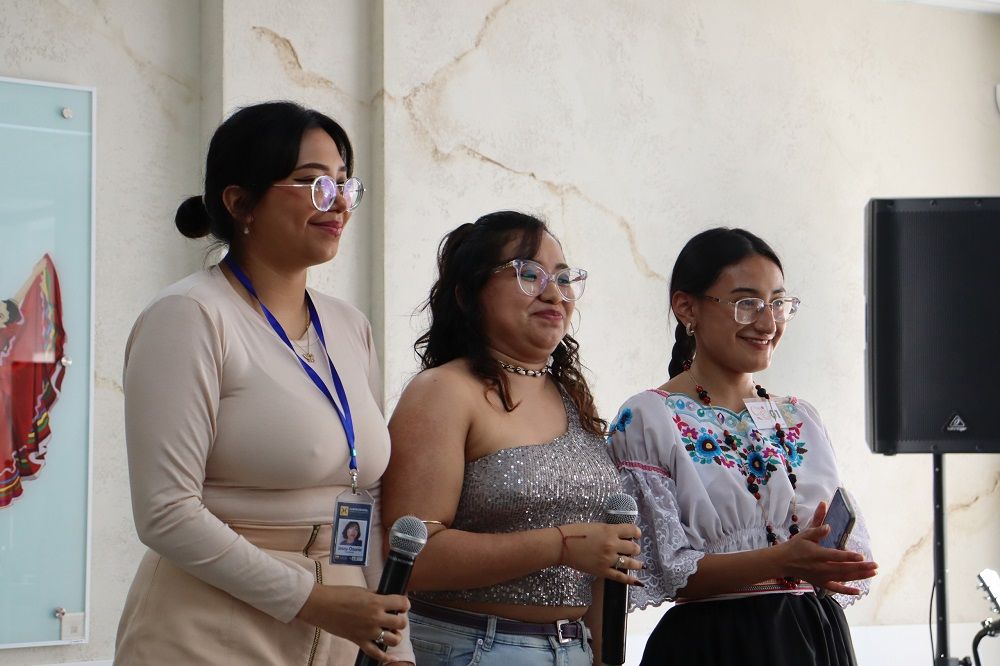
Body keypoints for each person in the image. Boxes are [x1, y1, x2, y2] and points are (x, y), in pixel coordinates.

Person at [116, 101, 412, 665]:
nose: (338, 202)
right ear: (240, 202)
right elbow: (166, 512)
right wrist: (311, 600)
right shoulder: (190, 315)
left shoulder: (349, 326)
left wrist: (396, 647)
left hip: (340, 624)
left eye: (344, 184)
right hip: (209, 629)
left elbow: (368, 498)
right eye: (313, 183)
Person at [608, 227, 878, 666]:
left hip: (815, 636)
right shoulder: (648, 418)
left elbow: (842, 547)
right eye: (747, 303)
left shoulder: (800, 416)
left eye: (778, 303)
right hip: (719, 641)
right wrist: (783, 559)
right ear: (687, 307)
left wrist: (832, 563)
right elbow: (670, 571)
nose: (768, 323)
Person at [382, 211, 642, 666]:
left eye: (564, 278)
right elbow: (411, 556)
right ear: (469, 293)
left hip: (575, 649)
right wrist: (560, 544)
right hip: (471, 648)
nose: (554, 293)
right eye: (529, 273)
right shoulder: (443, 391)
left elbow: (603, 560)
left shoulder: (571, 396)